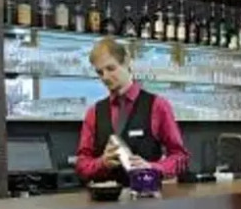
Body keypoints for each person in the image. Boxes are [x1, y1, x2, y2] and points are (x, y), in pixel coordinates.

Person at [75, 37, 190, 184]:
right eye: (100, 72)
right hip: (106, 197)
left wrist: (152, 168)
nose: (105, 77)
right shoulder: (94, 112)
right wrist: (102, 163)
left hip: (146, 195)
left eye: (111, 68)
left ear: (127, 62)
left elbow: (180, 157)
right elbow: (81, 164)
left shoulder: (157, 105)